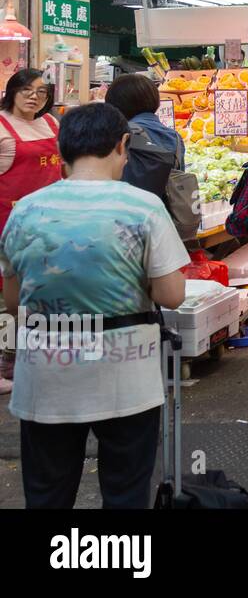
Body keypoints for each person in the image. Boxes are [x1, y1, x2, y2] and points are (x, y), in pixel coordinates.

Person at [0, 102, 188, 508]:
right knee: (125, 492)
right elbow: (172, 295)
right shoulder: (143, 207)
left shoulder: (26, 211)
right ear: (123, 145)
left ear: (61, 149)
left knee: (47, 492)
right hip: (124, 375)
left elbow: (14, 301)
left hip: (45, 377)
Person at [0, 69, 60, 396]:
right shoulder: (2, 126)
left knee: (41, 291)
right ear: (12, 92)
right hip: (8, 222)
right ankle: (5, 361)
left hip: (49, 223)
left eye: (40, 91)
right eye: (25, 90)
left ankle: (31, 356)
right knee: (8, 295)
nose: (33, 96)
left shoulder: (50, 124)